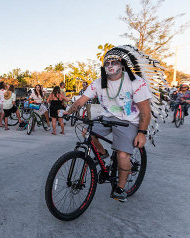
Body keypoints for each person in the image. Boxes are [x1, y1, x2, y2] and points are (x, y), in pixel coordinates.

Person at [65, 48, 152, 202]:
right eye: (107, 63)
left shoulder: (136, 82)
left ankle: (120, 188)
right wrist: (68, 112)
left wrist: (142, 132)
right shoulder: (98, 83)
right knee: (88, 132)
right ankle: (102, 153)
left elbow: (145, 110)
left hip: (128, 121)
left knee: (122, 154)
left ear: (122, 65)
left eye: (115, 62)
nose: (111, 65)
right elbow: (81, 100)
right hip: (107, 117)